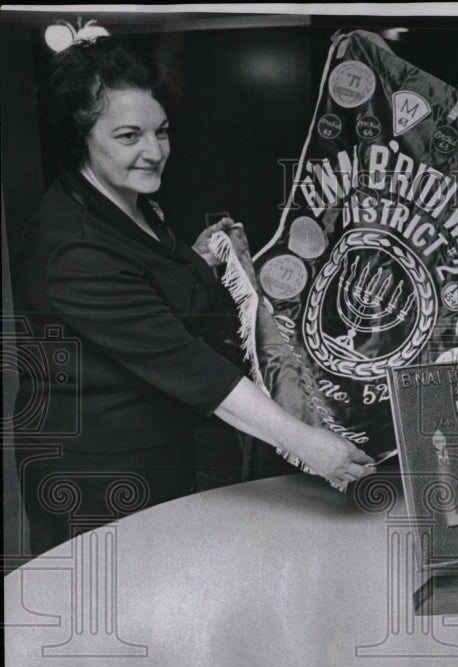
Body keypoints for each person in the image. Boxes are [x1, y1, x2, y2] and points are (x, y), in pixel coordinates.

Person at [11, 36, 375, 557]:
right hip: (101, 477)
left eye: (161, 132)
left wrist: (207, 263)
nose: (154, 152)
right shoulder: (72, 250)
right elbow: (188, 365)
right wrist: (306, 442)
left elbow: (154, 283)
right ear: (80, 136)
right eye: (129, 136)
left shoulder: (127, 201)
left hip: (169, 450)